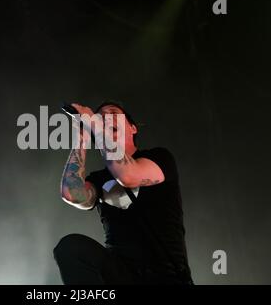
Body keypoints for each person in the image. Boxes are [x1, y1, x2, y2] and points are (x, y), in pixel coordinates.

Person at [53, 101, 193, 285]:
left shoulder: (158, 158)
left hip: (167, 277)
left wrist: (94, 124)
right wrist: (82, 138)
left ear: (132, 127)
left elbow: (128, 175)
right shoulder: (99, 179)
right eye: (101, 117)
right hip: (122, 275)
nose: (106, 118)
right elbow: (71, 194)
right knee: (70, 248)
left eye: (113, 113)